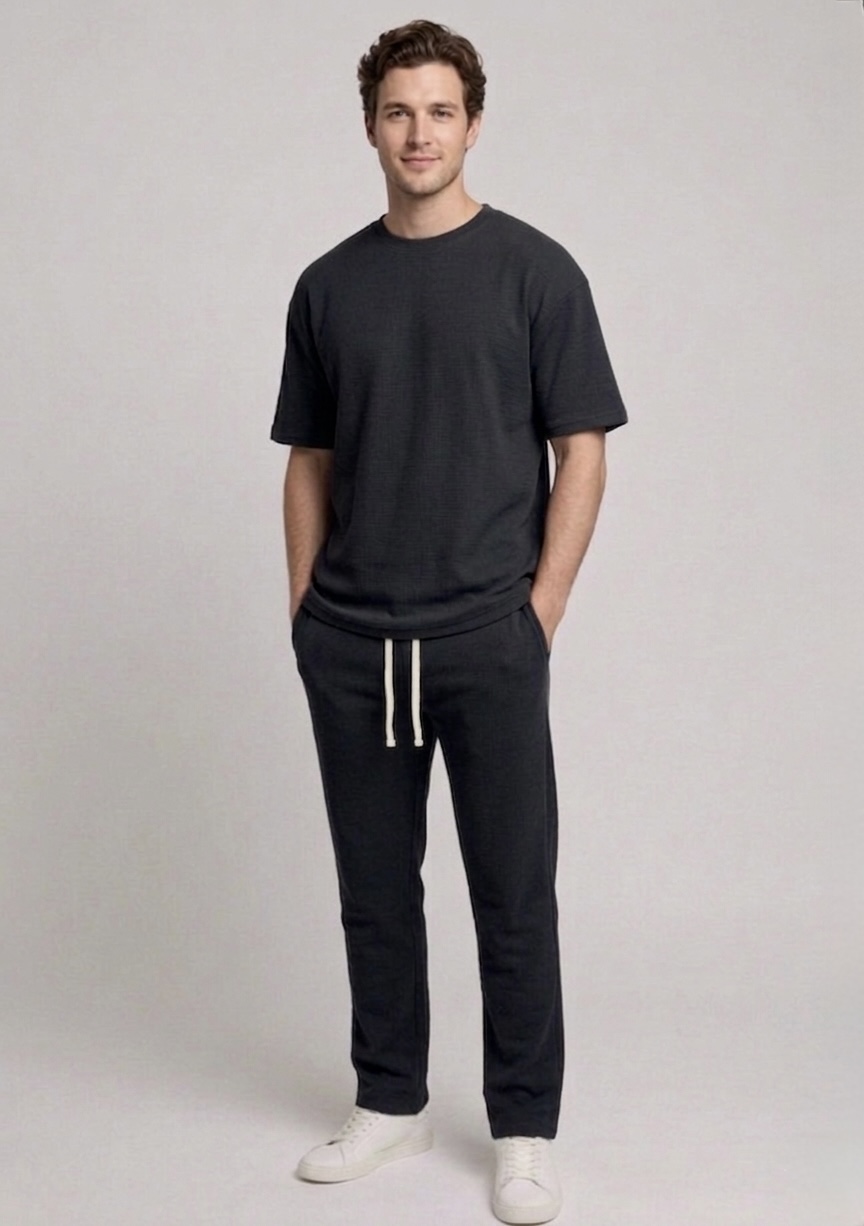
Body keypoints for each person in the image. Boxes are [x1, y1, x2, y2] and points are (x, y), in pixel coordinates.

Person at [270, 19, 628, 1225]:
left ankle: (523, 1126)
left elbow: (583, 448)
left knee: (513, 891)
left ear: (473, 124)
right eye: (397, 111)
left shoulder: (537, 272)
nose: (418, 133)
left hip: (486, 637)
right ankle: (390, 1097)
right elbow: (308, 458)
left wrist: (541, 609)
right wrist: (305, 607)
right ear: (370, 126)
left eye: (439, 111)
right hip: (353, 641)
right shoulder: (328, 286)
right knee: (375, 887)